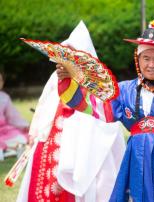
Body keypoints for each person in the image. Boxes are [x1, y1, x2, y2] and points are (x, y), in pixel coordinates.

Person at [56, 19, 154, 201]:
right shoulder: (124, 91)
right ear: (137, 60)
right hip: (138, 157)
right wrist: (70, 81)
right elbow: (97, 105)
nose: (151, 64)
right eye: (146, 58)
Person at [17, 21, 125, 202]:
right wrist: (36, 133)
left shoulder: (94, 80)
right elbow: (44, 106)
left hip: (83, 139)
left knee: (90, 183)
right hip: (52, 136)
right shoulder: (54, 78)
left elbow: (102, 114)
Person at [0, 71, 29, 161]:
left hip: (4, 130)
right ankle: (8, 151)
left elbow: (13, 117)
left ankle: (8, 150)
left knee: (21, 139)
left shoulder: (4, 97)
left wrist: (26, 126)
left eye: (0, 80)